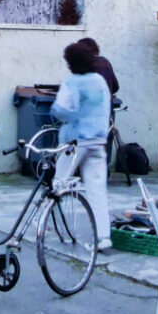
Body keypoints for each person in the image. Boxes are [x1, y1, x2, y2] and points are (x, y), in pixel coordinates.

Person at [52, 42, 113, 252]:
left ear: (71, 63)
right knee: (97, 190)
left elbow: (59, 110)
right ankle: (103, 237)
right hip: (98, 140)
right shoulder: (100, 81)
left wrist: (71, 116)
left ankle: (52, 224)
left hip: (75, 141)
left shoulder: (72, 83)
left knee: (59, 183)